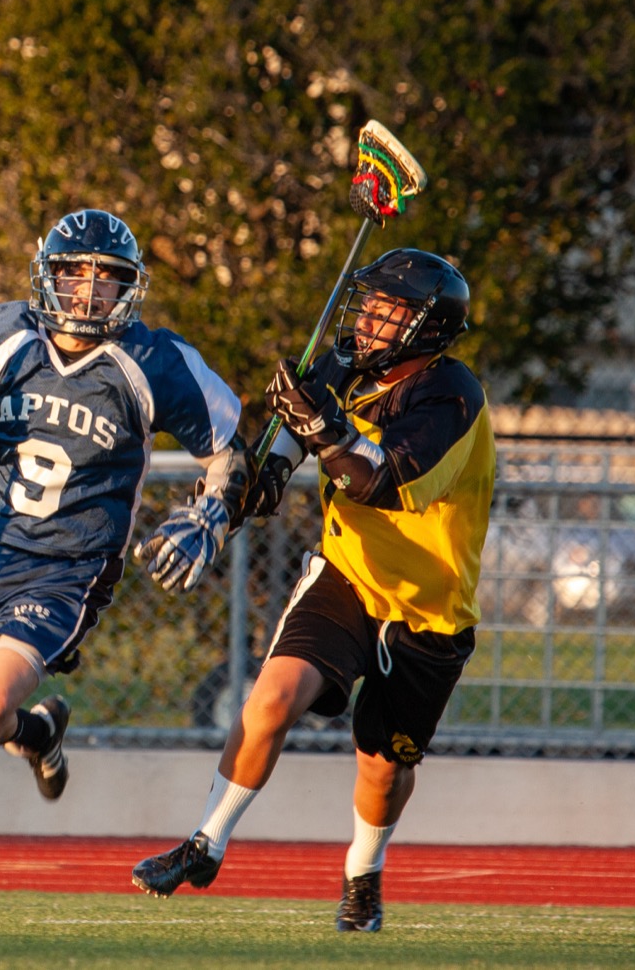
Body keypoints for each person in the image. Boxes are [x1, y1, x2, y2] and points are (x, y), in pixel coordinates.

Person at [0, 208, 251, 898]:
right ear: (48, 276)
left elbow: (230, 449)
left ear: (130, 287)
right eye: (74, 274)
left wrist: (211, 512)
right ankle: (39, 734)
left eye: (106, 279)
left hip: (70, 566)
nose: (89, 293)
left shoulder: (152, 361)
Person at [129, 248, 495, 933]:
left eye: (390, 311)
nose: (370, 319)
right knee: (270, 699)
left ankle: (364, 874)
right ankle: (206, 842)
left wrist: (324, 426)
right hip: (347, 574)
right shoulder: (344, 365)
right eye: (373, 305)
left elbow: (379, 481)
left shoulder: (452, 396)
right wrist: (226, 505)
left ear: (427, 328)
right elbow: (279, 464)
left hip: (429, 605)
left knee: (381, 766)